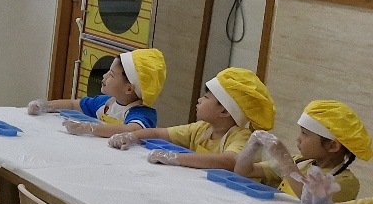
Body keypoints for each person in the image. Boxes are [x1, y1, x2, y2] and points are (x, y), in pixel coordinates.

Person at [108, 67, 273, 170]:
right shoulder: (202, 128)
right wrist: (132, 136)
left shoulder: (242, 137)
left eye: (206, 97)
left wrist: (175, 158)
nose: (199, 100)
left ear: (224, 111)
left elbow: (229, 161)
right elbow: (160, 133)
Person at [237, 100, 367, 203]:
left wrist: (284, 158)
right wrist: (253, 143)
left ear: (332, 146)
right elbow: (244, 172)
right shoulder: (299, 162)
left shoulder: (346, 181)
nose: (298, 139)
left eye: (305, 133)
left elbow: (310, 201)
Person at [29, 48, 166, 139]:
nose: (104, 76)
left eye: (111, 74)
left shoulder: (142, 113)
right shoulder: (106, 103)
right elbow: (72, 104)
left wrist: (89, 128)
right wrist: (45, 106)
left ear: (129, 89)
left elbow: (132, 130)